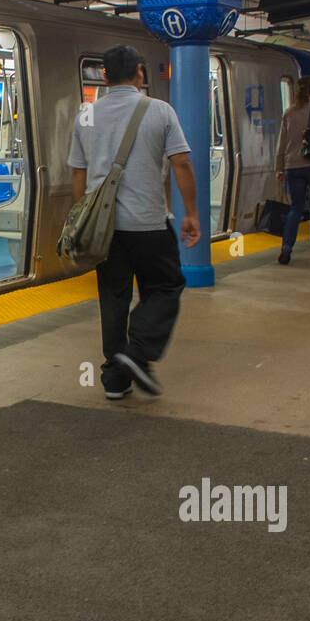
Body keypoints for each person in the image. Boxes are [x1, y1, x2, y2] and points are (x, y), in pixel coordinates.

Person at [67, 44, 199, 399]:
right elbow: (182, 164)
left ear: (105, 76)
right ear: (141, 72)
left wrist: (84, 219)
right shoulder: (160, 111)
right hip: (150, 224)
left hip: (106, 230)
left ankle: (115, 379)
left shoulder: (86, 116)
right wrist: (192, 213)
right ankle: (136, 352)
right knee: (165, 288)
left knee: (113, 299)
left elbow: (79, 175)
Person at [274, 74, 310, 264]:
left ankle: (286, 248)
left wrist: (279, 168)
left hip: (292, 166)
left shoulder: (289, 112)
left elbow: (281, 144)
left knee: (295, 209)